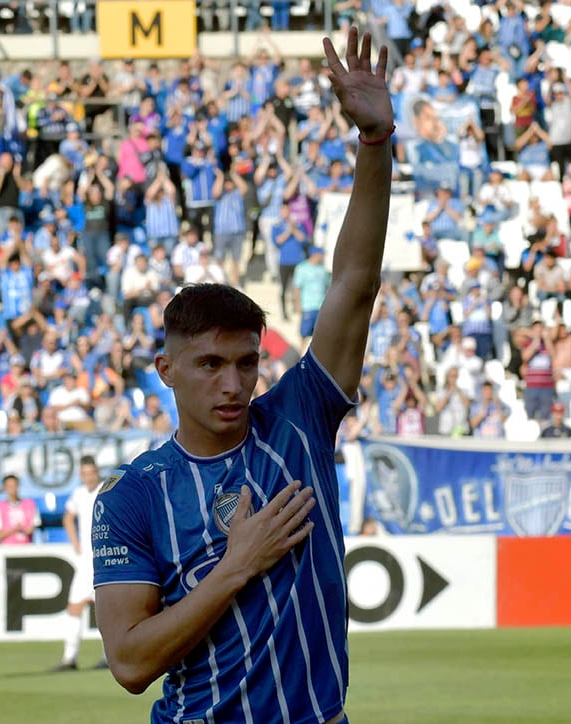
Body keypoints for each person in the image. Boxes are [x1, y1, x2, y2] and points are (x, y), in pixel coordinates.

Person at [93, 28, 393, 724]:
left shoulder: (299, 419)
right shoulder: (132, 499)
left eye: (247, 362)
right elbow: (131, 663)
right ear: (166, 370)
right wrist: (237, 564)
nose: (233, 384)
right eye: (209, 365)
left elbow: (354, 283)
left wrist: (374, 145)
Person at [52, 456, 108, 672]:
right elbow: (68, 518)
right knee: (74, 607)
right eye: (84, 473)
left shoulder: (106, 488)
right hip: (85, 561)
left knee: (105, 609)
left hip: (103, 557)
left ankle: (108, 657)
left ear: (97, 472)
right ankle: (69, 658)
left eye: (91, 472)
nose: (88, 477)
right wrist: (75, 542)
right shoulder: (78, 493)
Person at [0, 474, 40, 545]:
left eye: (14, 486)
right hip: (6, 549)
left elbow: (31, 529)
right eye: (9, 486)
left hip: (27, 547)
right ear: (4, 488)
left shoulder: (30, 504)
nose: (13, 489)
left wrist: (21, 529)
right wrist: (14, 530)